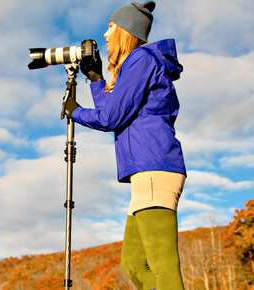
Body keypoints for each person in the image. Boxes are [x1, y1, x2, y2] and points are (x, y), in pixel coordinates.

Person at [63, 1, 186, 289]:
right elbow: (116, 113)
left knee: (163, 266)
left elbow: (110, 117)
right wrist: (96, 80)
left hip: (156, 170)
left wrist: (75, 112)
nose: (105, 35)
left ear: (125, 30)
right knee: (132, 264)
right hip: (146, 174)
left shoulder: (142, 59)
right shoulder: (139, 66)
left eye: (110, 27)